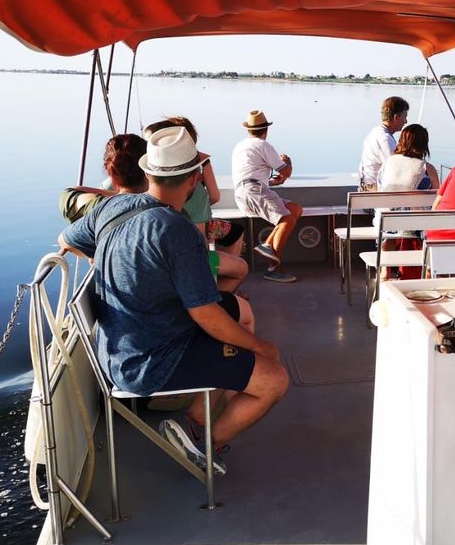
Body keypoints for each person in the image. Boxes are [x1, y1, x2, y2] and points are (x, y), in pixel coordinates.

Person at [59, 126, 289, 475]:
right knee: (273, 378)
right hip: (153, 360)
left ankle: (198, 415)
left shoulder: (112, 207)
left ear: (148, 172)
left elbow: (65, 238)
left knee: (237, 325)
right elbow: (206, 315)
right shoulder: (178, 231)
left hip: (116, 351)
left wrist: (97, 259)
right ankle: (204, 447)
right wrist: (262, 348)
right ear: (195, 178)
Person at [145, 117, 248, 292]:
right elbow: (214, 197)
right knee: (237, 245)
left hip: (157, 260)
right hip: (200, 239)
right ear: (193, 178)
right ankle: (224, 290)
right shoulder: (198, 187)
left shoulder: (142, 190)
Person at [232, 109, 302, 283]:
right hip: (253, 191)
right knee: (287, 219)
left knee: (295, 209)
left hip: (246, 192)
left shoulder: (241, 145)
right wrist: (288, 163)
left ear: (249, 129)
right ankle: (274, 268)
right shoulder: (263, 145)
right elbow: (285, 171)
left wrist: (272, 182)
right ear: (266, 130)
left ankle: (268, 245)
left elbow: (251, 175)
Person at [59, 134, 148, 222]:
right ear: (148, 168)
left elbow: (68, 194)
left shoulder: (102, 206)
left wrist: (118, 195)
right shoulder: (156, 208)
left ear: (111, 172)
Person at [358, 95, 409, 190]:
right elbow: (396, 169)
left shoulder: (376, 132)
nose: (406, 121)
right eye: (404, 117)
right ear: (396, 117)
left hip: (367, 185)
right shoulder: (384, 139)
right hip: (374, 190)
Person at [377, 123, 440, 192]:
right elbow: (436, 196)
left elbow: (380, 186)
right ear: (423, 145)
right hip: (415, 202)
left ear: (401, 141)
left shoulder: (388, 162)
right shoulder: (427, 169)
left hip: (385, 201)